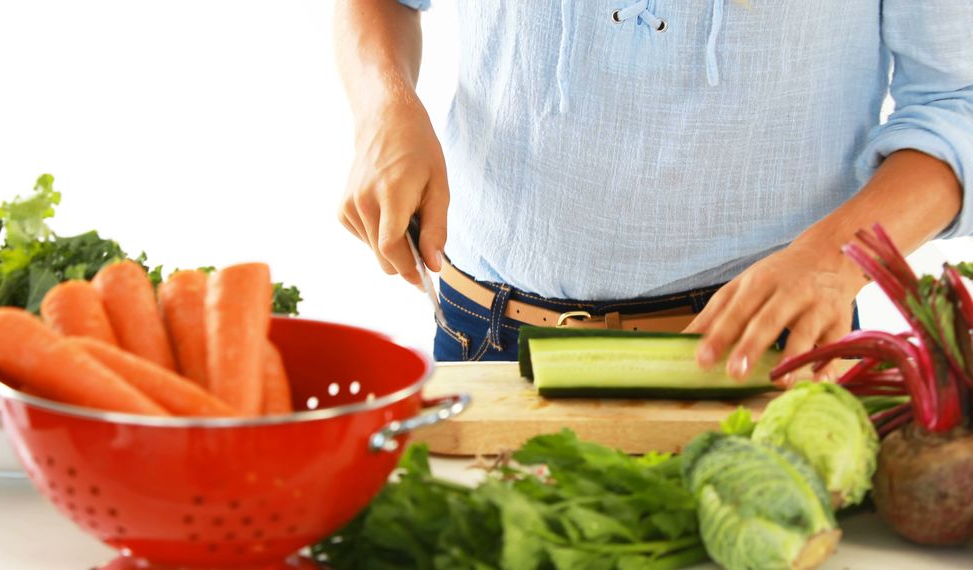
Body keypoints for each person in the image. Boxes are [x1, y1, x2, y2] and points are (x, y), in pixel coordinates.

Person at [333, 0, 972, 380]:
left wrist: (836, 258)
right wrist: (384, 107)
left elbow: (959, 104)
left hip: (758, 348)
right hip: (481, 337)